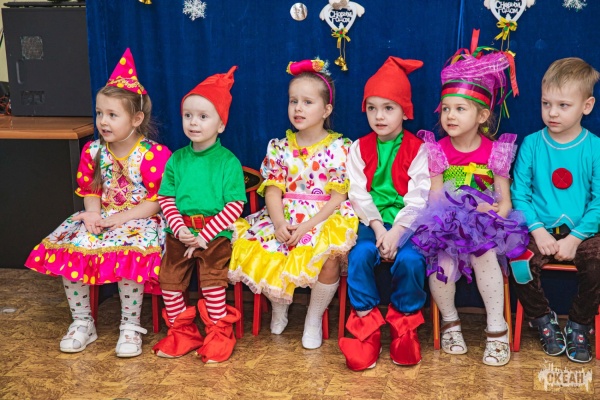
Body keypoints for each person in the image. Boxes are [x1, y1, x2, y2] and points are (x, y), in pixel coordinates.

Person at [25, 48, 172, 357]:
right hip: (102, 216)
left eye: (112, 115)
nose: (103, 121)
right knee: (73, 247)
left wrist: (121, 219)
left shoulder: (153, 155)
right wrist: (93, 215)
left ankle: (130, 326)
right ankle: (82, 322)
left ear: (137, 119)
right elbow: (90, 188)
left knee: (131, 253)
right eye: (99, 113)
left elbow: (157, 201)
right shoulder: (93, 151)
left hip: (139, 220)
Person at [228, 59, 358, 350]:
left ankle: (313, 318)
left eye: (307, 102)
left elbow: (339, 196)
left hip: (323, 216)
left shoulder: (340, 147)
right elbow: (273, 190)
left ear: (326, 110)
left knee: (329, 256)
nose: (298, 108)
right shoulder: (280, 147)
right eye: (293, 101)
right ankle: (280, 305)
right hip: (285, 214)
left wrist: (308, 226)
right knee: (269, 248)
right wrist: (278, 223)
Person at [410, 48, 528, 367]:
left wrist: (492, 213)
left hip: (486, 224)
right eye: (446, 108)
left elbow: (505, 200)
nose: (450, 116)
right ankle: (450, 323)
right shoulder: (437, 151)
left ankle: (497, 328)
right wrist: (451, 221)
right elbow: (435, 196)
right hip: (446, 221)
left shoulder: (496, 151)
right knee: (443, 262)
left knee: (484, 254)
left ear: (482, 116)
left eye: (460, 109)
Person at [339, 56, 431, 371]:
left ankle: (405, 327)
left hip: (407, 223)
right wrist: (379, 229)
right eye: (372, 108)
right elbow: (357, 192)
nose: (379, 116)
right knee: (360, 255)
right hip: (371, 221)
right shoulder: (358, 148)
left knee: (411, 260)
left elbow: (419, 197)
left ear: (405, 111)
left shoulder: (418, 149)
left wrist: (397, 233)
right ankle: (366, 327)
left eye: (388, 108)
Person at [152, 66, 246, 363]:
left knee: (212, 281)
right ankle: (183, 333)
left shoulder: (227, 162)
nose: (194, 122)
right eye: (188, 115)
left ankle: (219, 334)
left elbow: (235, 205)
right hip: (180, 232)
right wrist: (179, 229)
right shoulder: (177, 160)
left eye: (203, 117)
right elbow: (166, 198)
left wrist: (204, 236)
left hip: (214, 234)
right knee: (170, 279)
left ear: (221, 125)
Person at [511, 57, 600, 363]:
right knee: (519, 263)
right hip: (541, 229)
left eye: (563, 105)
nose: (552, 112)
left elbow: (599, 201)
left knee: (598, 265)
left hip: (584, 232)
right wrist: (537, 230)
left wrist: (575, 238)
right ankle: (542, 320)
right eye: (546, 103)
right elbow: (520, 195)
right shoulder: (532, 144)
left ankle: (580, 323)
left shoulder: (595, 148)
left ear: (586, 106)